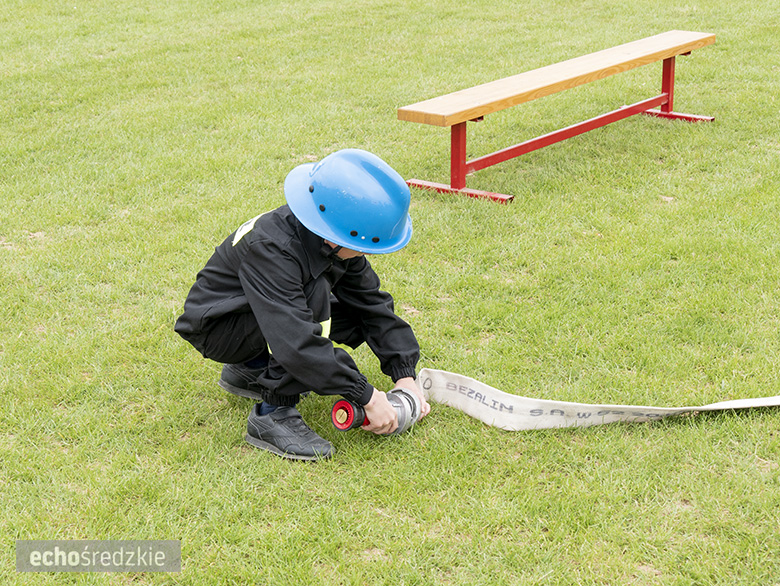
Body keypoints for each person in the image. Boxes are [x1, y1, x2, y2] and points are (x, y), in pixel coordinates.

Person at [174, 149, 430, 461]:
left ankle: (250, 370)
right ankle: (273, 413)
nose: (368, 255)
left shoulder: (322, 232)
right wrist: (365, 394)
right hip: (219, 328)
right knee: (314, 295)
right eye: (365, 247)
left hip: (253, 314)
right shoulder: (275, 250)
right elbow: (296, 341)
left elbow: (372, 305)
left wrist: (404, 373)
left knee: (346, 309)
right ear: (339, 237)